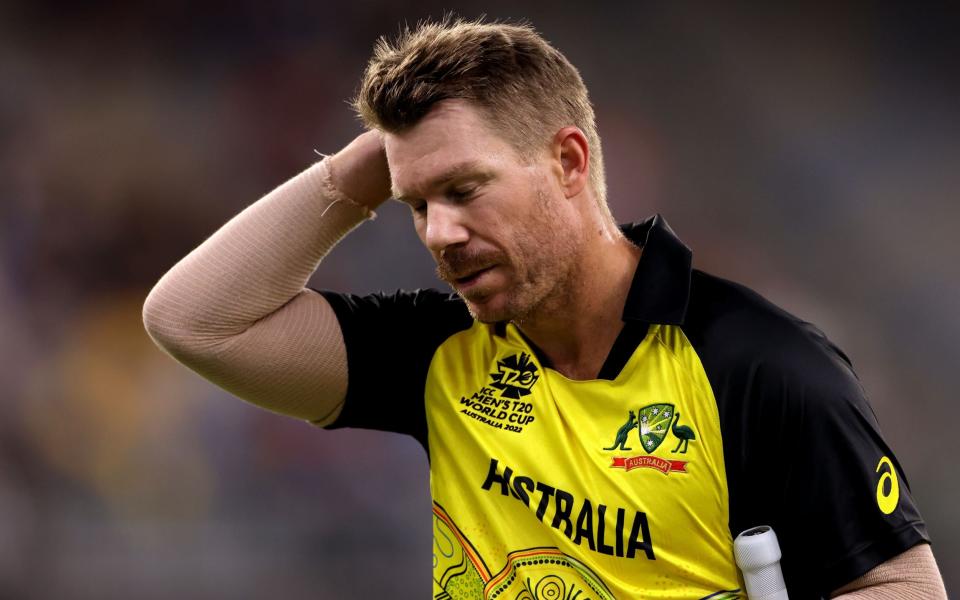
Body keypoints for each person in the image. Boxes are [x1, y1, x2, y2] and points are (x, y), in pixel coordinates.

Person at [142, 17, 946, 599]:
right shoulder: (441, 350)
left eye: (463, 189)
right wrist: (360, 173)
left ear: (568, 161)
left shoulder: (762, 365)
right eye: (415, 204)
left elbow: (901, 585)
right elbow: (194, 319)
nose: (439, 234)